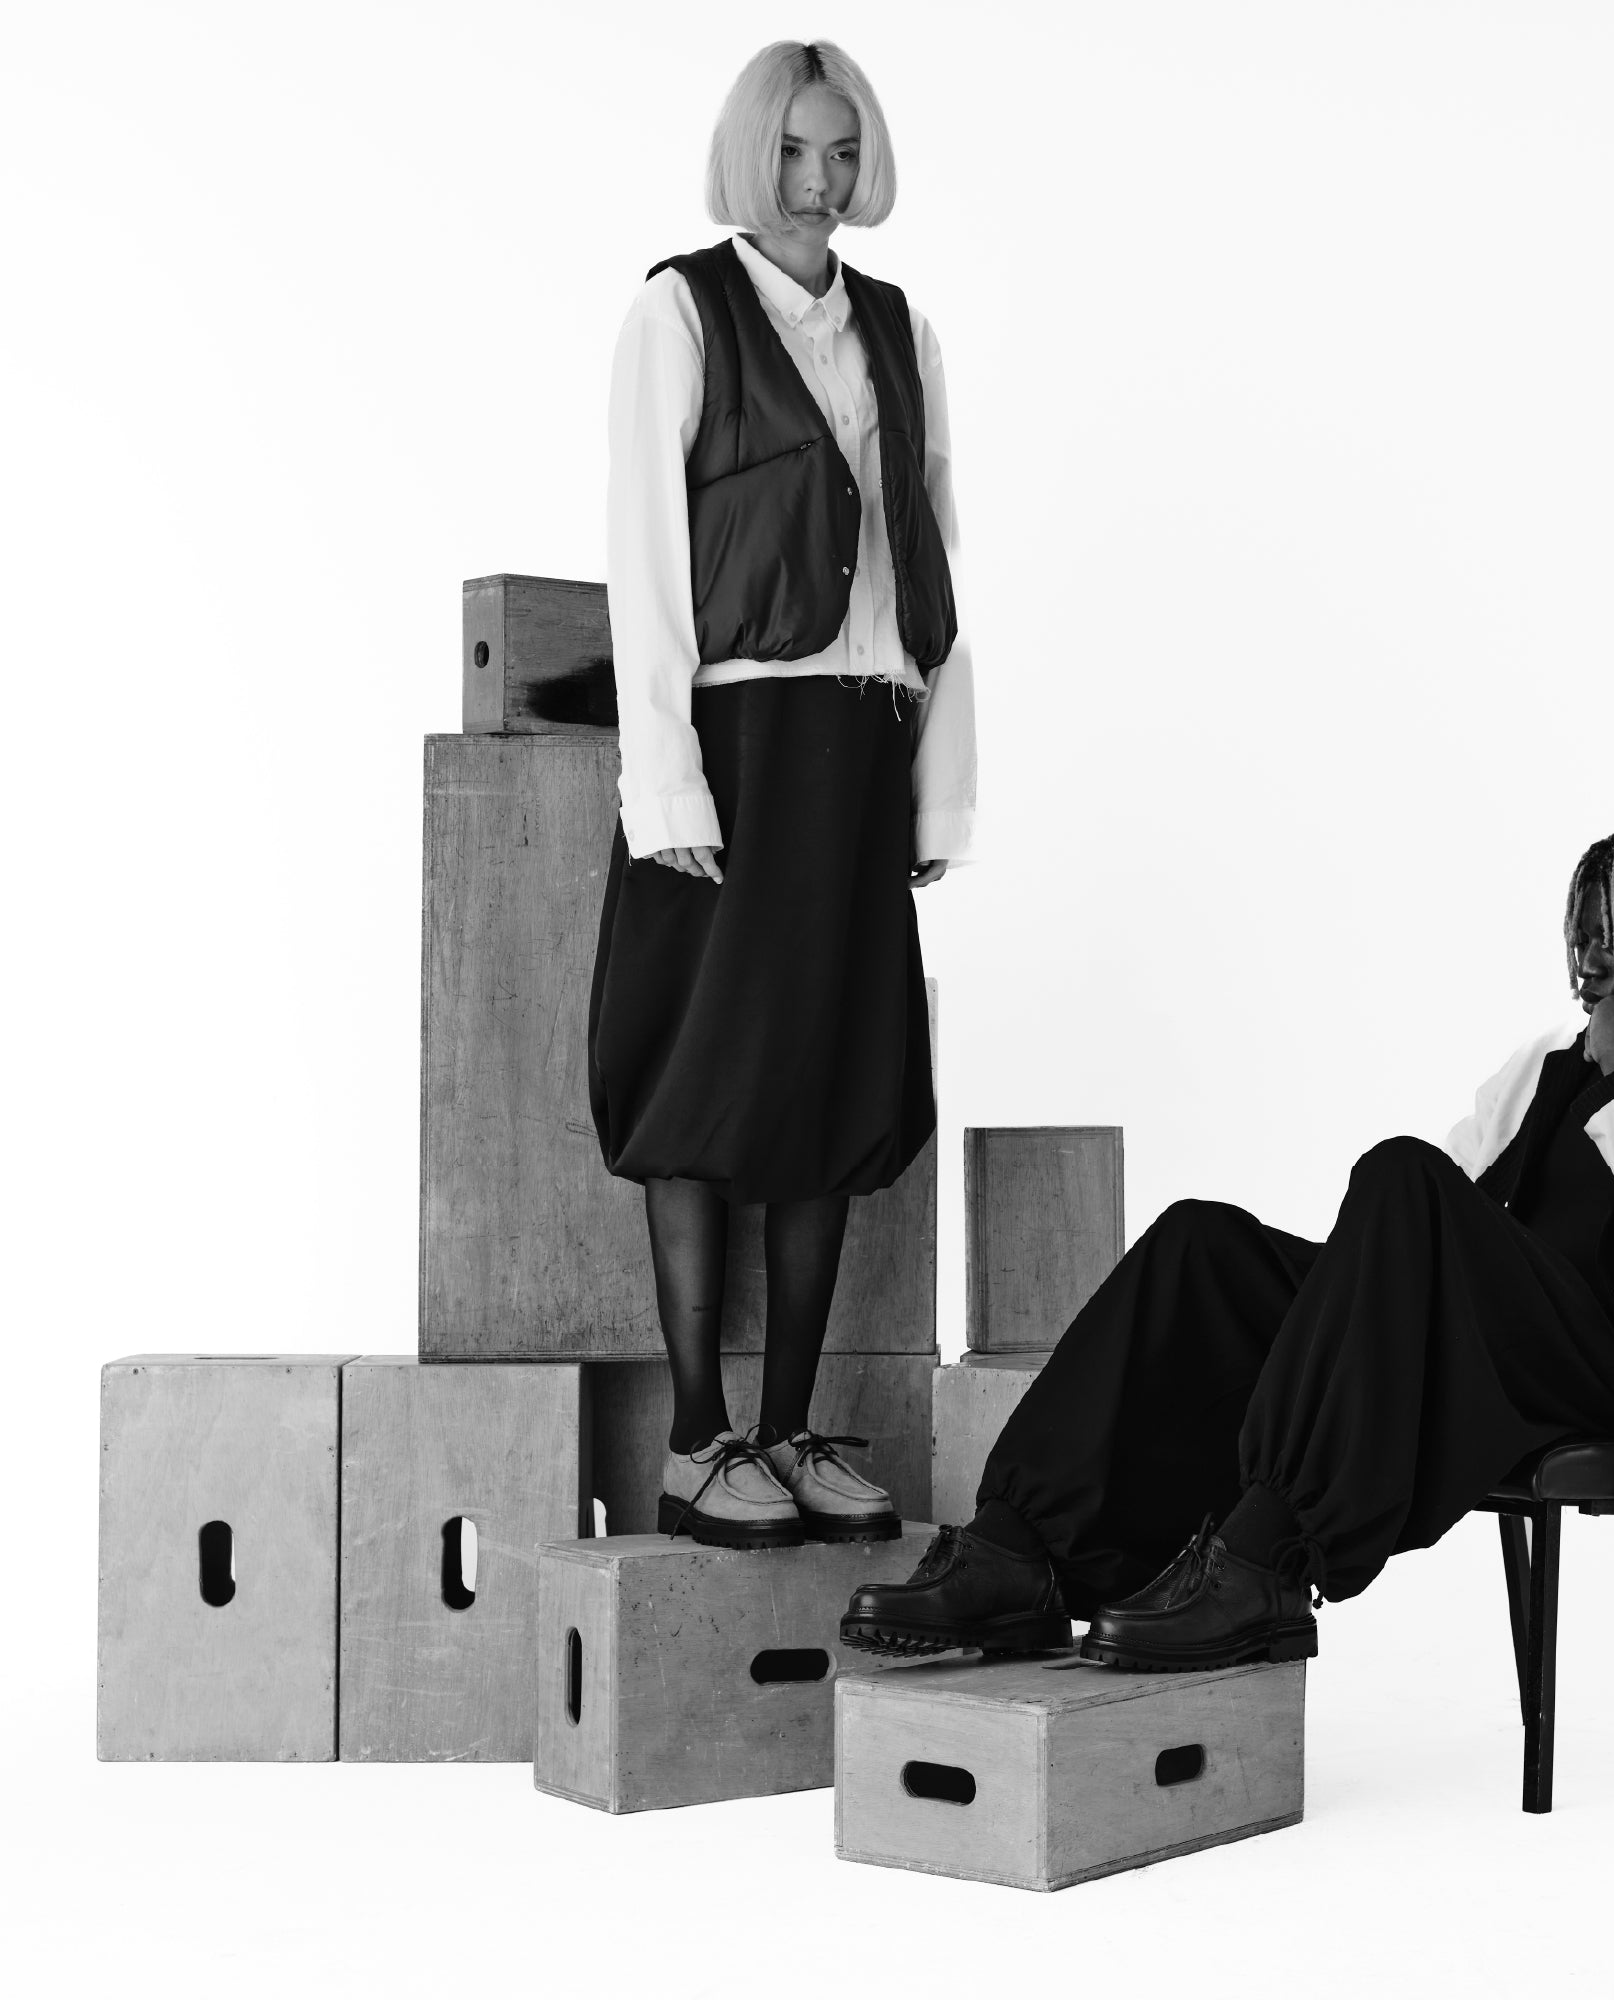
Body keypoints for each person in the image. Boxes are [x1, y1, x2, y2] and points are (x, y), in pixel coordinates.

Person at [842, 817, 1614, 1668]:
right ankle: (1017, 1553)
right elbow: (1428, 1226)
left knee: (1400, 1170)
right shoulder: (1545, 1061)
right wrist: (1321, 1309)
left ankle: (1261, 1563)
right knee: (1202, 1247)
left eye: (1612, 940)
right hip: (1500, 1355)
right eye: (1585, 938)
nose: (1587, 967)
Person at [588, 41, 976, 1550]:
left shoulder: (900, 329)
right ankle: (699, 1439)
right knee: (702, 1079)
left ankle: (794, 1430)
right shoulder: (679, 313)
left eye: (842, 151)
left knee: (832, 1086)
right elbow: (644, 558)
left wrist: (934, 788)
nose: (819, 181)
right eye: (796, 151)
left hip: (859, 743)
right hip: (736, 741)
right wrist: (665, 786)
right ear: (754, 154)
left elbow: (931, 563)